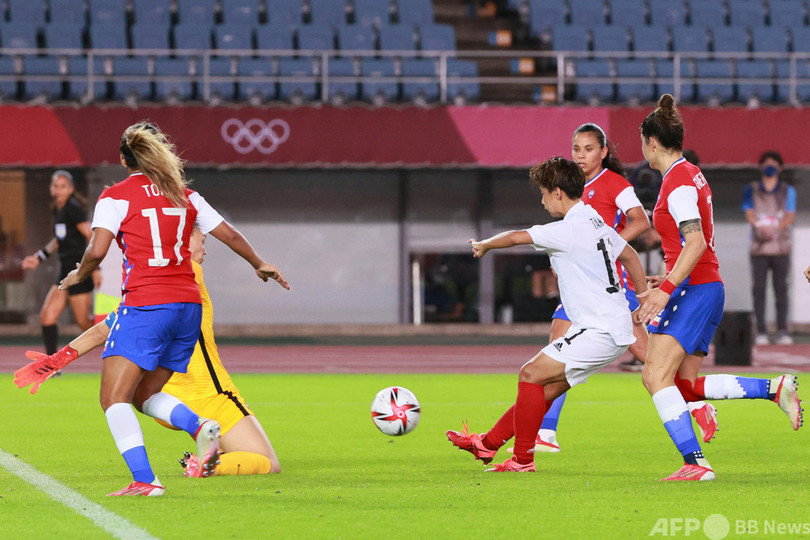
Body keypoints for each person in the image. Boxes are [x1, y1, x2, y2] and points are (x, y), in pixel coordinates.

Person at [17, 121, 289, 496]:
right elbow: (230, 234)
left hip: (147, 302)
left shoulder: (115, 196)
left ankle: (146, 480)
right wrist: (259, 263)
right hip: (186, 307)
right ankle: (198, 427)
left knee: (113, 398)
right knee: (142, 395)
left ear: (122, 159)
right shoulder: (185, 195)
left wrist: (80, 273)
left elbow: (96, 250)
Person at [16, 228, 281, 476]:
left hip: (163, 398)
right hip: (211, 395)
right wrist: (257, 262)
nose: (205, 248)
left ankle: (208, 451)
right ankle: (203, 463)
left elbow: (104, 330)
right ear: (182, 245)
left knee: (233, 452)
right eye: (202, 240)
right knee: (269, 463)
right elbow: (228, 233)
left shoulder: (152, 288)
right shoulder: (189, 273)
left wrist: (57, 360)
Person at [635, 94, 802, 482]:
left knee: (654, 377)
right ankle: (774, 389)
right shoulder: (689, 172)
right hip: (703, 286)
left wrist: (667, 288)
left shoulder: (676, 183)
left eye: (643, 142)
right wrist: (671, 278)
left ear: (652, 143)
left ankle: (695, 462)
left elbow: (694, 244)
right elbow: (693, 244)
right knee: (686, 386)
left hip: (695, 289)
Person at [446, 156, 650, 472]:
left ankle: (523, 460)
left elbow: (515, 236)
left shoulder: (566, 230)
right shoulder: (596, 220)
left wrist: (484, 245)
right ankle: (487, 445)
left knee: (529, 373)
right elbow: (630, 255)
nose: (541, 201)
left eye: (543, 193)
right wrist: (641, 298)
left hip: (598, 329)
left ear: (557, 192)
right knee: (541, 391)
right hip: (613, 325)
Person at [529, 122, 654, 453]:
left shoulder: (615, 183)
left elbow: (641, 221)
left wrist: (608, 247)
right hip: (582, 286)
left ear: (603, 152)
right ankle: (546, 432)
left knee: (650, 358)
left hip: (611, 285)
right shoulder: (570, 185)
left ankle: (695, 403)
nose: (581, 155)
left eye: (588, 149)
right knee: (558, 344)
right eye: (576, 149)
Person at [21, 171, 100, 355]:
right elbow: (58, 239)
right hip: (64, 273)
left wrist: (94, 267)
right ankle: (51, 366)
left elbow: (90, 235)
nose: (58, 190)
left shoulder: (73, 208)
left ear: (71, 189)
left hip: (79, 273)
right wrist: (38, 257)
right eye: (56, 186)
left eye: (63, 186)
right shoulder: (58, 209)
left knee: (85, 325)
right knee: (47, 317)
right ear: (51, 188)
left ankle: (121, 351)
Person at [742, 151, 796, 345]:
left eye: (774, 163)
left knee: (781, 290)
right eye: (767, 163)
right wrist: (760, 227)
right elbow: (749, 213)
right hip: (759, 248)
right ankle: (762, 331)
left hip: (781, 248)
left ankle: (783, 330)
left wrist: (774, 228)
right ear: (761, 166)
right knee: (759, 290)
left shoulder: (788, 191)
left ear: (780, 168)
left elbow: (789, 216)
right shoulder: (751, 189)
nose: (770, 167)